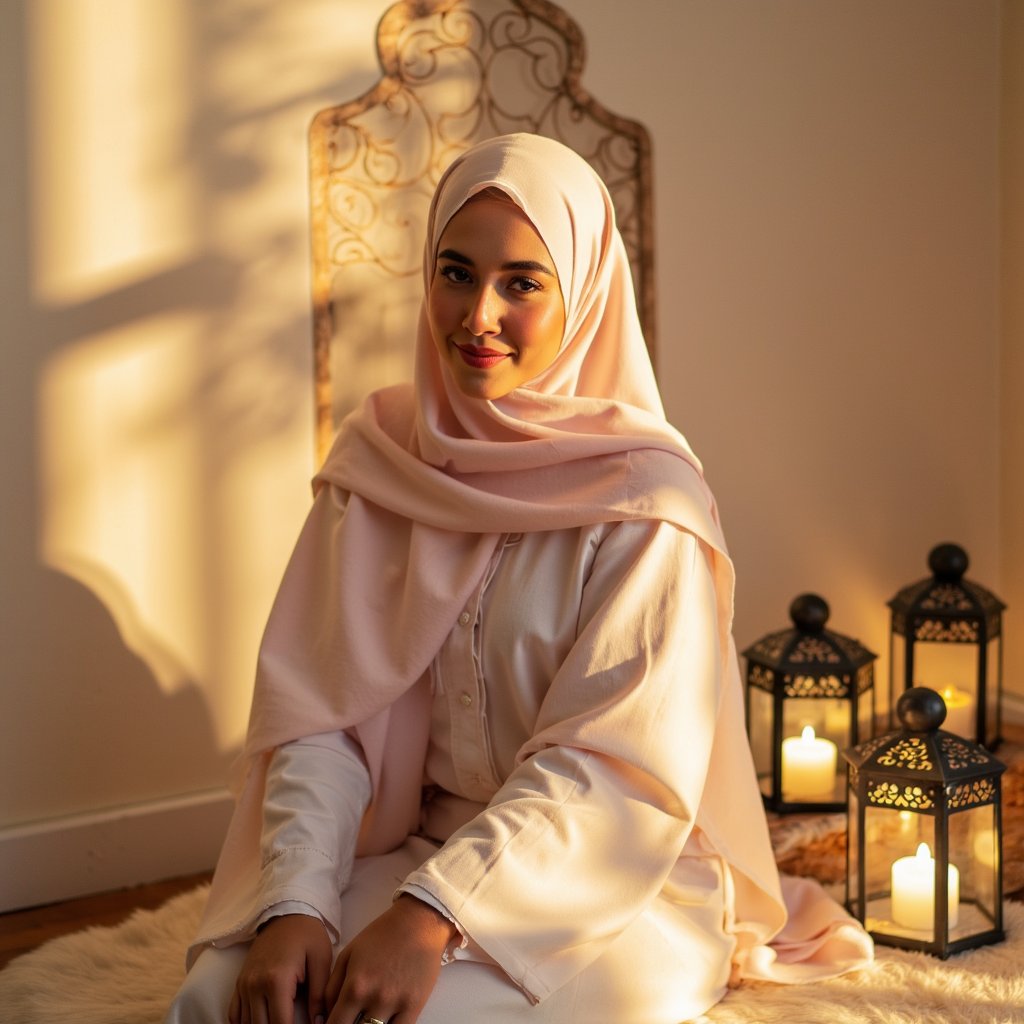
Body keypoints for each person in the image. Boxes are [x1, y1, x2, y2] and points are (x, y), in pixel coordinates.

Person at [166, 133, 872, 1024]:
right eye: (455, 273)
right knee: (222, 1000)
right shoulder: (380, 467)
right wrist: (295, 904)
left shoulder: (648, 505)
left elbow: (612, 770)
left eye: (523, 284)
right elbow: (324, 722)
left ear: (581, 294)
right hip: (422, 841)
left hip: (615, 876)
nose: (478, 316)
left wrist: (432, 918)